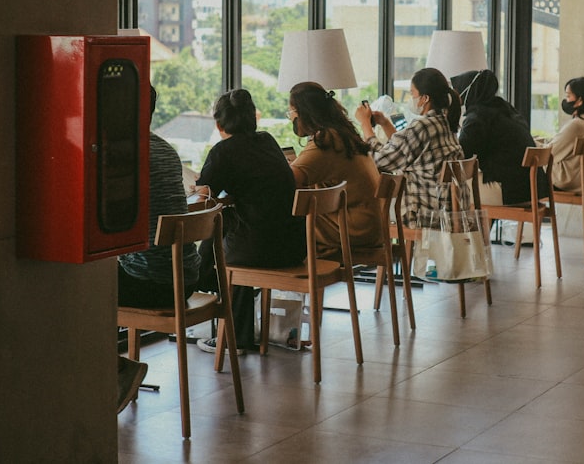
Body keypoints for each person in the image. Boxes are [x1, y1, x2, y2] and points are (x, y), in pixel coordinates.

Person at [192, 89, 306, 353]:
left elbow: (202, 197)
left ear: (219, 124)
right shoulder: (267, 141)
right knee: (234, 228)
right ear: (252, 118)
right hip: (294, 247)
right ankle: (233, 328)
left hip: (259, 251)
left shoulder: (223, 151)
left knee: (224, 234)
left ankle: (228, 329)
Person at [116, 86, 201, 413]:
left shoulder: (124, 155)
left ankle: (114, 368)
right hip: (186, 279)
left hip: (151, 285)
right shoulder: (164, 149)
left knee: (76, 289)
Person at [354, 67, 464, 229]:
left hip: (424, 213)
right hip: (449, 210)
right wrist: (384, 123)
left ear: (425, 98)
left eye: (412, 94)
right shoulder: (443, 124)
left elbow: (380, 160)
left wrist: (365, 125)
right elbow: (404, 149)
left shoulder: (422, 127)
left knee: (365, 211)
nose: (411, 99)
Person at [287, 81, 384, 261]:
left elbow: (287, 180)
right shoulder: (343, 134)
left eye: (291, 113)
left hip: (353, 231)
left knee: (281, 216)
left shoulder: (326, 139)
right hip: (369, 227)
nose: (291, 118)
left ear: (303, 113)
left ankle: (277, 279)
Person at [450, 69, 547, 206]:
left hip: (512, 192)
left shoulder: (478, 118)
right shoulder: (504, 109)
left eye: (456, 90)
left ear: (469, 90)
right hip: (534, 188)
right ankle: (484, 227)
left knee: (453, 189)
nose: (454, 95)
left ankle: (473, 227)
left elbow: (461, 155)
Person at [545, 76, 584, 191]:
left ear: (580, 100)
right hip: (577, 181)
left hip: (561, 180)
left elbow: (549, 152)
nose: (565, 100)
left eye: (568, 96)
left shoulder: (576, 125)